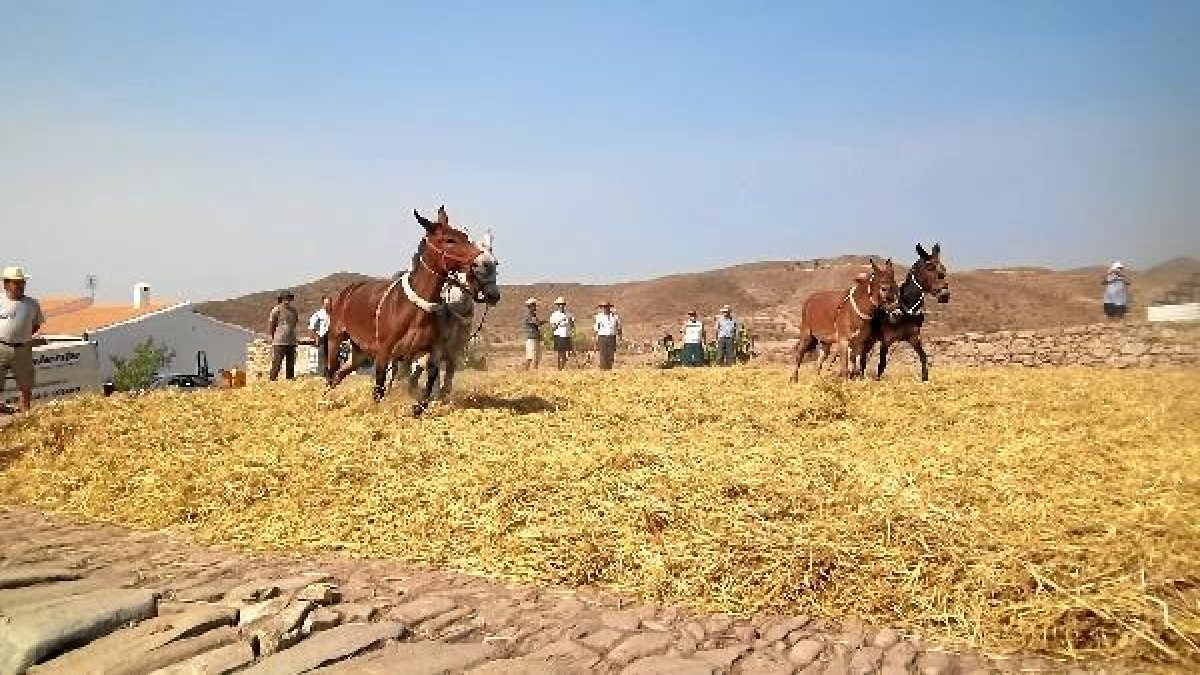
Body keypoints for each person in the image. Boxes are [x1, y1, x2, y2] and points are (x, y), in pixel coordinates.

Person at [0, 267, 45, 413]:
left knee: (25, 385)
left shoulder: (32, 304)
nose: (20, 285)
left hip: (23, 348)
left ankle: (25, 416)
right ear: (6, 284)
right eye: (16, 282)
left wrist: (22, 336)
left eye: (22, 282)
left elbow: (36, 324)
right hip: (1, 346)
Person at [267, 290, 299, 380]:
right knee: (277, 362)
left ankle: (290, 380)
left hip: (291, 340)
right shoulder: (276, 310)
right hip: (279, 341)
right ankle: (272, 380)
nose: (287, 300)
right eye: (285, 298)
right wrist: (273, 337)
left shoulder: (293, 311)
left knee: (291, 363)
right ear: (281, 299)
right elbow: (271, 324)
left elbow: (294, 323)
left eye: (289, 298)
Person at [547, 296, 574, 370]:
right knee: (560, 353)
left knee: (567, 353)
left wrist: (570, 321)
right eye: (560, 304)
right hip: (558, 335)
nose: (561, 306)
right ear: (557, 305)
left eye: (563, 304)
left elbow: (572, 326)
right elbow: (553, 327)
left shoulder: (569, 314)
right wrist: (559, 322)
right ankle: (560, 368)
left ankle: (562, 367)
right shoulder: (554, 315)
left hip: (567, 335)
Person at [308, 295, 332, 377]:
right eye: (326, 304)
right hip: (322, 337)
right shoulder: (318, 315)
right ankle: (322, 374)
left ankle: (331, 373)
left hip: (332, 338)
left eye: (329, 303)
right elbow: (312, 328)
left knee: (332, 356)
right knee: (322, 356)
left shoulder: (333, 314)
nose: (328, 305)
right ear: (323, 304)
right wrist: (316, 337)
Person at [593, 301, 621, 370]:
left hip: (612, 337)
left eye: (606, 307)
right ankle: (603, 370)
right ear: (601, 308)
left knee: (611, 354)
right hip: (602, 337)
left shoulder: (615, 317)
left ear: (609, 308)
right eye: (603, 307)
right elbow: (596, 329)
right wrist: (595, 339)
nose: (605, 308)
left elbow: (619, 327)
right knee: (603, 354)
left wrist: (620, 337)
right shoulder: (598, 317)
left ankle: (609, 369)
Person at [521, 298, 544, 370]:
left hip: (535, 337)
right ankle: (526, 371)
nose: (535, 307)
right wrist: (544, 322)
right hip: (531, 338)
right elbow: (537, 323)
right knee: (530, 356)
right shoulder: (529, 315)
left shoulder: (533, 315)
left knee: (536, 356)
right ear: (530, 306)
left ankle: (533, 371)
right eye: (534, 305)